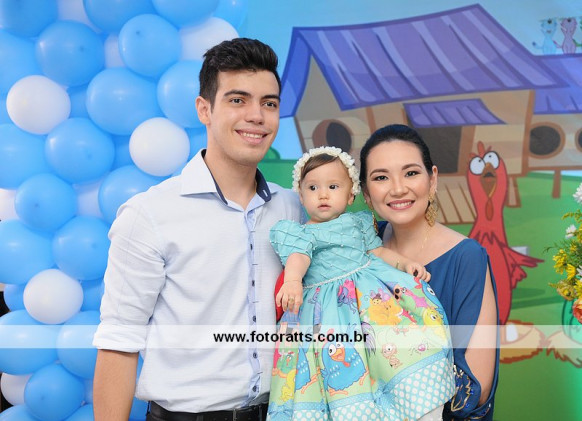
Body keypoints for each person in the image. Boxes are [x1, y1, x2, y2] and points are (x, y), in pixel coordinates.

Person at [92, 38, 303, 421]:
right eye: (238, 100)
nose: (257, 116)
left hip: (281, 412)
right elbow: (119, 342)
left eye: (269, 103)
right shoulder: (150, 214)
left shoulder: (292, 208)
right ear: (204, 109)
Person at [267, 146, 455, 421]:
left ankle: (407, 398)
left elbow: (378, 252)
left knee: (387, 352)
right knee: (331, 366)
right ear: (301, 195)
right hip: (326, 312)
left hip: (367, 300)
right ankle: (348, 408)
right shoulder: (299, 233)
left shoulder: (358, 223)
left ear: (351, 194)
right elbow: (299, 257)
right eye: (312, 188)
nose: (322, 195)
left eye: (333, 186)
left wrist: (404, 264)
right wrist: (293, 280)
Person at [359, 124, 499, 420]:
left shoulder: (466, 257)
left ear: (432, 179)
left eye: (411, 173)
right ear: (366, 193)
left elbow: (476, 386)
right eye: (381, 177)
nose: (398, 188)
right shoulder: (360, 251)